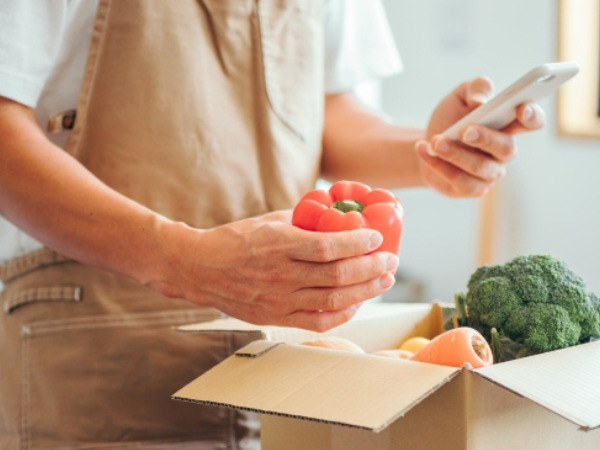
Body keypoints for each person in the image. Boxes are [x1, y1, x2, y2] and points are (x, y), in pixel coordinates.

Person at [0, 0, 544, 448]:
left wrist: (430, 152)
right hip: (101, 347)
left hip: (286, 358)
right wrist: (178, 261)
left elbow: (329, 114)